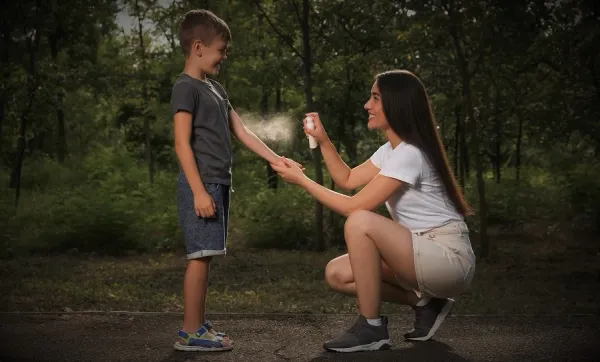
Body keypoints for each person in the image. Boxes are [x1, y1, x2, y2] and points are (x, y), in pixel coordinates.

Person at [270, 69, 476, 353]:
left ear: (397, 103)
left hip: (447, 260)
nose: (368, 105)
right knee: (337, 274)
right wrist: (325, 140)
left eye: (375, 98)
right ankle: (427, 304)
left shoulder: (410, 153)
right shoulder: (392, 151)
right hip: (420, 253)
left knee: (360, 221)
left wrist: (303, 180)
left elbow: (355, 206)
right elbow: (349, 179)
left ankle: (371, 328)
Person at [170, 9, 299, 352]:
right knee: (199, 256)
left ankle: (197, 324)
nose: (224, 56)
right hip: (202, 184)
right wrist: (198, 191)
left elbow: (241, 131)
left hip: (218, 182)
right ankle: (189, 331)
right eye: (221, 50)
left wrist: (275, 159)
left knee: (206, 254)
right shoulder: (185, 88)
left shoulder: (215, 88)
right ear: (198, 47)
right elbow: (182, 143)